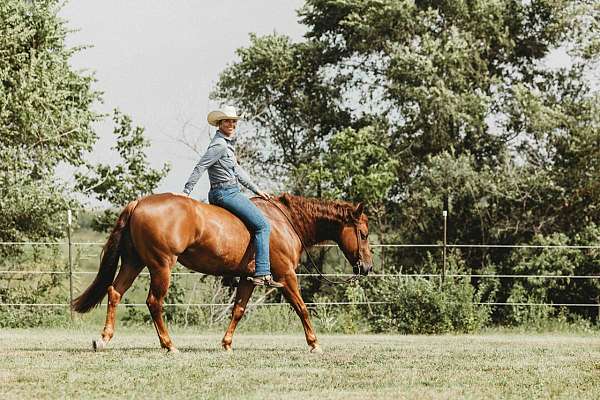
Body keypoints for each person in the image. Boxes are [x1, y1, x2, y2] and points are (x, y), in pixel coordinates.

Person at [182, 105, 283, 288]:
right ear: (219, 124)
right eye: (227, 121)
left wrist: (256, 190)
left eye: (233, 121)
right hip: (226, 193)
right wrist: (185, 192)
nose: (231, 124)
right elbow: (200, 167)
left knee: (239, 230)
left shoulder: (227, 144)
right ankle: (262, 273)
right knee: (262, 225)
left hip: (224, 192)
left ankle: (231, 273)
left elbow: (237, 170)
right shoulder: (219, 145)